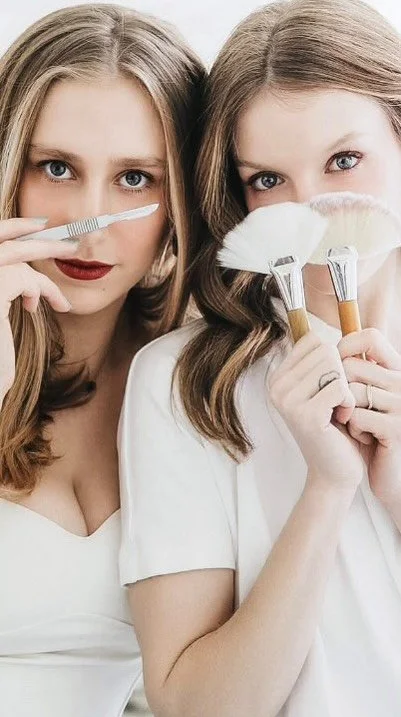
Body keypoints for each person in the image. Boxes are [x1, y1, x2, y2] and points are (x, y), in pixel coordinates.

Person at [119, 0, 401, 715]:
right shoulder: (185, 386)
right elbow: (193, 706)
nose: (311, 215)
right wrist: (326, 489)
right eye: (267, 180)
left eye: (344, 161)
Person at [0, 4, 205, 716]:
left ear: (182, 200)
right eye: (56, 167)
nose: (88, 224)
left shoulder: (199, 384)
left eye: (136, 178)